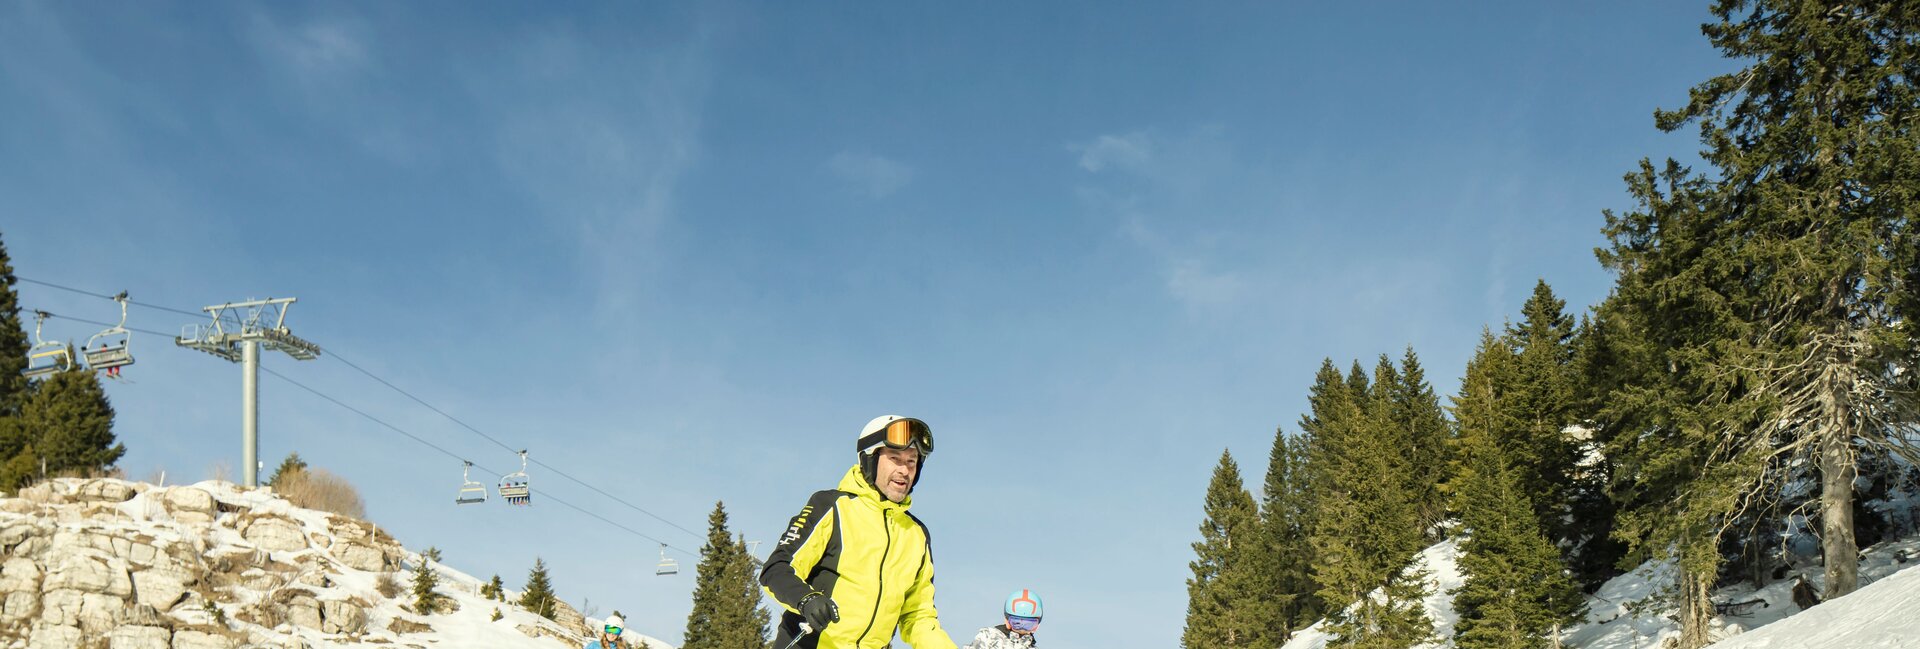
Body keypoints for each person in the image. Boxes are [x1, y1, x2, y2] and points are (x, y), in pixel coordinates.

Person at [761, 415, 957, 649]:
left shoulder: (916, 535)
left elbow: (918, 617)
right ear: (869, 459)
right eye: (895, 458)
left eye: (911, 462)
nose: (904, 470)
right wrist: (807, 599)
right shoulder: (833, 507)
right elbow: (777, 570)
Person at [964, 590, 1042, 649]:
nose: (1022, 628)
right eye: (1017, 622)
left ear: (1037, 626)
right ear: (1007, 621)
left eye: (1029, 624)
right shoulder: (990, 636)